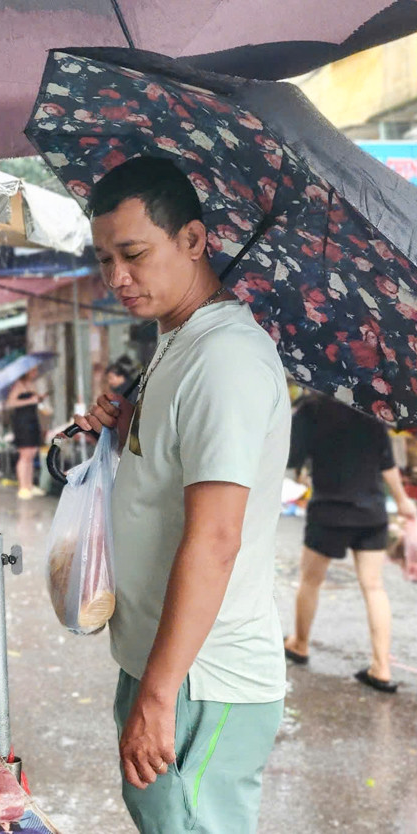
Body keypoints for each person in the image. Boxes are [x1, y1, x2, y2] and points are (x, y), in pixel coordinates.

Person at [73, 156, 289, 834]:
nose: (117, 278)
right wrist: (124, 432)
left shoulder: (223, 359)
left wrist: (161, 693)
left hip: (202, 673)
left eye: (133, 254)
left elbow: (217, 538)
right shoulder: (176, 343)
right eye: (105, 258)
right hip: (163, 659)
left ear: (193, 241)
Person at [284, 393, 416, 693]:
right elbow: (387, 464)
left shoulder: (313, 407)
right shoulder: (371, 406)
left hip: (329, 511)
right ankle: (381, 668)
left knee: (311, 580)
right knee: (374, 586)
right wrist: (402, 501)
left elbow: (292, 456)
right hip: (371, 512)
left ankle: (300, 644)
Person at [5, 368, 44, 499]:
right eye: (33, 371)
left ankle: (29, 485)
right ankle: (23, 486)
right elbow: (11, 403)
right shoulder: (18, 385)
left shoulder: (31, 385)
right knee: (25, 454)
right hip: (22, 422)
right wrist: (29, 401)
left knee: (32, 453)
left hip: (33, 419)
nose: (35, 373)